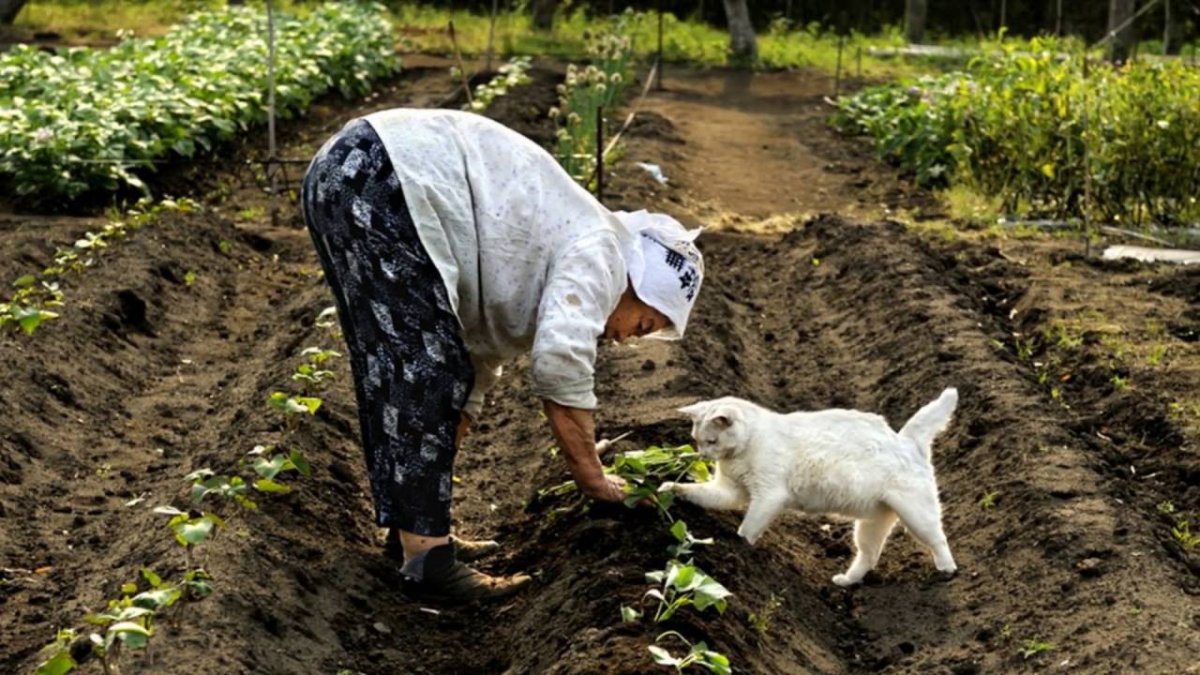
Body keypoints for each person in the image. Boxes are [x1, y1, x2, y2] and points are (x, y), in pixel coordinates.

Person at [300, 109, 704, 602]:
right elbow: (560, 363)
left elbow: (471, 369)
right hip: (381, 175)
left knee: (430, 366)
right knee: (421, 365)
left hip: (359, 173)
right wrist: (593, 480)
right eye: (642, 323)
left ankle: (416, 536)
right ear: (636, 287)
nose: (626, 338)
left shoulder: (560, 260)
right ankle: (428, 561)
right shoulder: (603, 255)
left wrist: (431, 486)